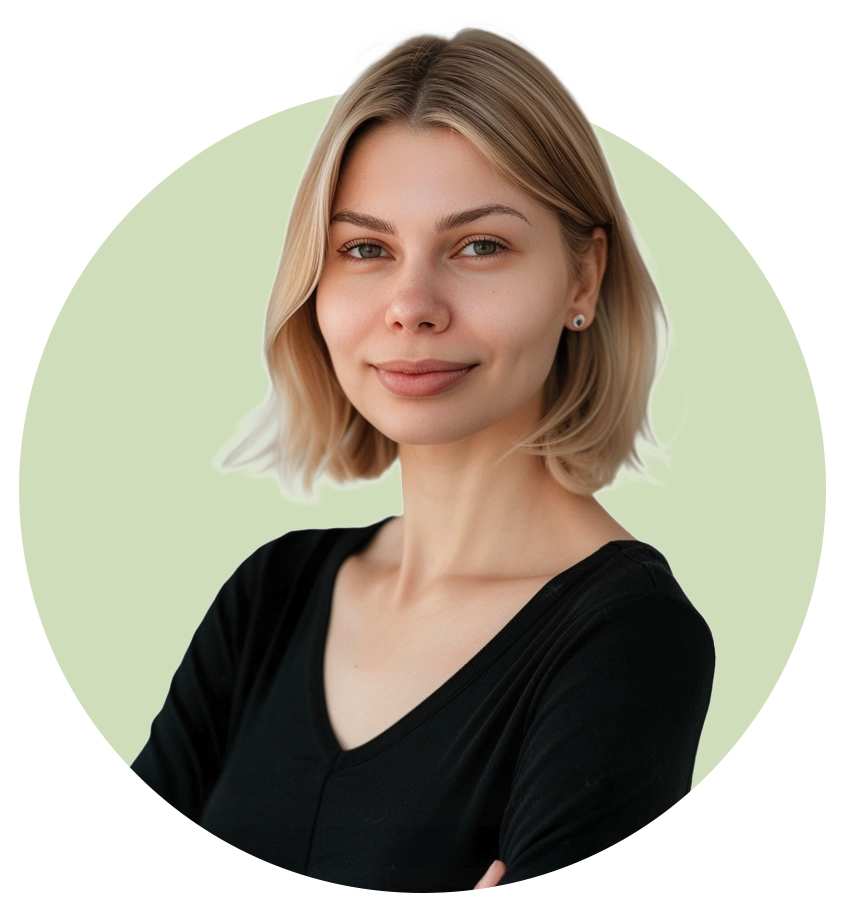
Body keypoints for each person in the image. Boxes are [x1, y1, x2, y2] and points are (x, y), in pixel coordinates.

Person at [130, 27, 726, 892]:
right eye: (365, 249)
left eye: (479, 245)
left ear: (583, 279)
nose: (411, 306)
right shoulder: (270, 596)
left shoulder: (629, 641)